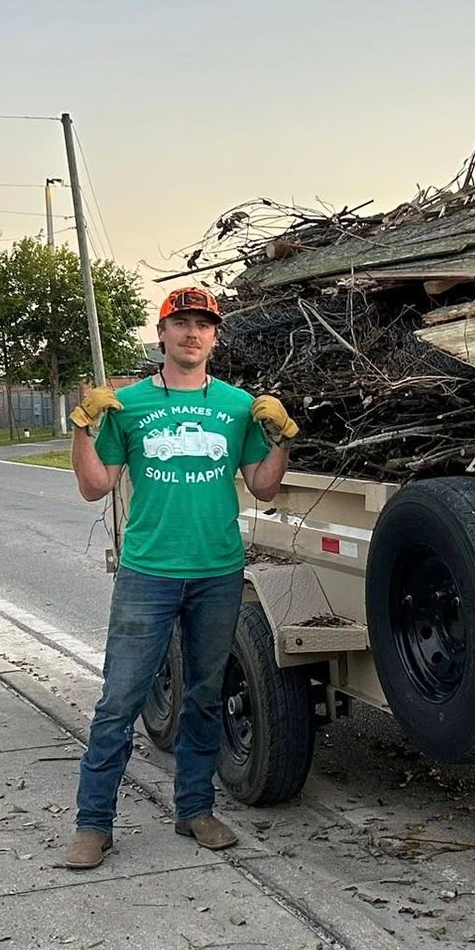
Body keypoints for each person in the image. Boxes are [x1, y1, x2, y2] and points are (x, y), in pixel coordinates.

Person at [62, 285, 298, 870]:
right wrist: (82, 429)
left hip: (218, 572)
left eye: (203, 324)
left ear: (215, 337)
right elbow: (95, 485)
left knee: (203, 696)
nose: (192, 333)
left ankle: (194, 809)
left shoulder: (239, 407)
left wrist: (282, 440)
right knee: (120, 699)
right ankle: (94, 824)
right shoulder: (128, 405)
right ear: (162, 334)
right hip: (149, 572)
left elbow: (264, 486)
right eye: (181, 323)